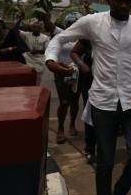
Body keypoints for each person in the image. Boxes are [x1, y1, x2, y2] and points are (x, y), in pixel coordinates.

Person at [45, 0, 131, 195]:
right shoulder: (92, 22)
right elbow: (60, 38)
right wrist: (50, 59)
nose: (124, 5)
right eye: (119, 0)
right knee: (104, 162)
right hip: (103, 102)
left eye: (128, 1)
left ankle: (119, 194)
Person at [46, 12, 84, 144]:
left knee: (74, 102)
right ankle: (61, 128)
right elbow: (49, 25)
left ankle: (72, 124)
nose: (73, 26)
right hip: (61, 72)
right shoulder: (61, 34)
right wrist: (45, 13)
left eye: (76, 23)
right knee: (64, 102)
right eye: (70, 23)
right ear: (66, 25)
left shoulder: (83, 37)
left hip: (77, 74)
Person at [71, 38, 97, 164]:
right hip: (89, 81)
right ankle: (90, 149)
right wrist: (83, 65)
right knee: (91, 113)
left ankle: (105, 148)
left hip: (110, 81)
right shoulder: (88, 36)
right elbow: (74, 52)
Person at [16, 17, 51, 84]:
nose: (36, 29)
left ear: (41, 29)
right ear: (31, 28)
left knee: (37, 80)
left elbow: (47, 50)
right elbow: (15, 30)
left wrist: (37, 51)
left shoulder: (45, 37)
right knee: (26, 78)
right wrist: (20, 19)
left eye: (38, 28)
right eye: (34, 27)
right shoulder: (27, 34)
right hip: (27, 59)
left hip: (39, 61)